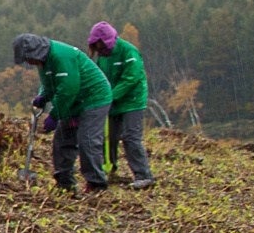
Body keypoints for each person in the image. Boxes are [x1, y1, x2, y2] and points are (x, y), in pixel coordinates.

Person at [13, 33, 111, 193]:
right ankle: (65, 182)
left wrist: (54, 115)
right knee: (62, 141)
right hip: (73, 100)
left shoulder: (61, 56)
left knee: (87, 139)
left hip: (94, 98)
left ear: (35, 52)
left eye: (28, 59)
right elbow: (49, 83)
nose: (29, 63)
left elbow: (68, 89)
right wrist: (43, 96)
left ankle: (96, 184)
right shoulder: (43, 62)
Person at [88, 22, 155, 189]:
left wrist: (111, 95)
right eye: (98, 48)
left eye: (102, 47)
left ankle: (143, 175)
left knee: (131, 137)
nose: (101, 51)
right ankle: (110, 170)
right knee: (108, 137)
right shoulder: (102, 57)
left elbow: (131, 78)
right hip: (111, 101)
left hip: (132, 101)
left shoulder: (128, 51)